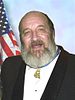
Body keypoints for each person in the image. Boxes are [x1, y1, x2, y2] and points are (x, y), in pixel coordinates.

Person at [1, 11, 75, 100]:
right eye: (27, 32)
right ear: (21, 38)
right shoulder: (10, 67)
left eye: (41, 30)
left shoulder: (72, 66)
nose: (34, 38)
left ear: (52, 33)